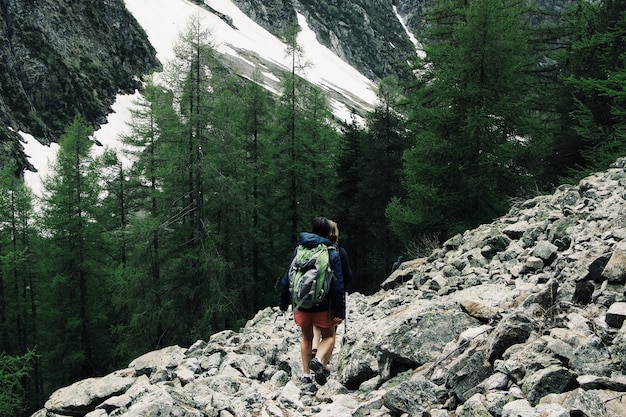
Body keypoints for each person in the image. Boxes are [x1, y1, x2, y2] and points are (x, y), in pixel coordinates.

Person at [279, 217, 345, 385]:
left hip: (301, 305)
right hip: (324, 306)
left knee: (306, 337)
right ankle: (320, 361)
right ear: (328, 232)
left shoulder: (300, 250)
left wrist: (283, 303)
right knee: (329, 337)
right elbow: (338, 286)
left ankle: (306, 375)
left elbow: (287, 278)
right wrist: (340, 312)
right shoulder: (331, 252)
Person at [312, 220, 352, 358]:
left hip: (312, 294)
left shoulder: (312, 249)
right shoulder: (339, 251)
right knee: (330, 333)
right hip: (330, 300)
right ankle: (322, 363)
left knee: (316, 325)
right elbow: (347, 277)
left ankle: (314, 347)